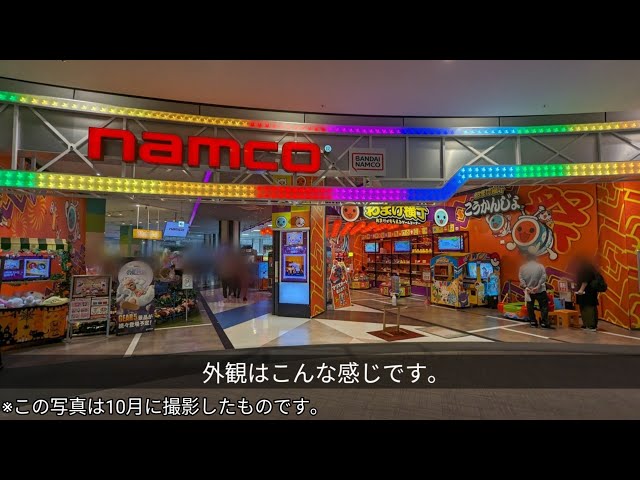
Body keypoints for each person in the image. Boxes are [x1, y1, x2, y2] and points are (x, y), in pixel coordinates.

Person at [519, 253, 552, 329]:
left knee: (530, 306)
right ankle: (544, 322)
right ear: (535, 258)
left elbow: (521, 279)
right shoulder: (540, 266)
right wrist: (538, 286)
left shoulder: (522, 268)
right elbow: (543, 277)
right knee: (543, 306)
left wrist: (526, 287)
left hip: (529, 291)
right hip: (540, 290)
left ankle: (533, 322)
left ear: (527, 259)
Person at [575, 257, 600, 332]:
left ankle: (591, 325)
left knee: (588, 308)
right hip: (588, 293)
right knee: (586, 308)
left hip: (587, 293)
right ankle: (587, 324)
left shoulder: (586, 268)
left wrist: (581, 289)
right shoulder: (589, 267)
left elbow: (585, 280)